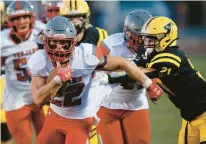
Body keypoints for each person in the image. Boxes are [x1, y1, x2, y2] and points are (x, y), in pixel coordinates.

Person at [28, 16, 163, 144]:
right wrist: (57, 80)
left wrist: (148, 84)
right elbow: (38, 100)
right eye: (54, 42)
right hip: (55, 116)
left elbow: (122, 62)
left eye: (64, 43)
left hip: (80, 120)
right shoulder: (39, 59)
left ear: (73, 43)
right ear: (45, 42)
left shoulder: (87, 54)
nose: (59, 47)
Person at [109, 16, 206, 144]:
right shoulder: (153, 55)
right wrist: (101, 68)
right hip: (190, 118)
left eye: (151, 38)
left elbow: (141, 73)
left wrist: (108, 78)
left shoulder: (172, 55)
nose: (146, 42)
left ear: (165, 38)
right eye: (146, 38)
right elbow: (129, 66)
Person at [94, 9, 153, 144]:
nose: (140, 43)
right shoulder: (110, 44)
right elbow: (93, 67)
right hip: (107, 104)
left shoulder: (153, 48)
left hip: (136, 105)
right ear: (127, 33)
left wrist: (153, 83)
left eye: (144, 38)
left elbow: (156, 72)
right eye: (137, 38)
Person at [59, 0, 108, 142]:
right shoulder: (57, 38)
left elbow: (110, 64)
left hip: (94, 96)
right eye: (69, 18)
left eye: (78, 16)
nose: (74, 21)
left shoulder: (100, 34)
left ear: (86, 16)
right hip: (64, 97)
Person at [0, 1, 45, 144]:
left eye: (25, 17)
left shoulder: (42, 31)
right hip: (16, 100)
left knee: (50, 140)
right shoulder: (3, 40)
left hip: (41, 95)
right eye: (16, 19)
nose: (21, 22)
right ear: (9, 21)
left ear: (32, 18)